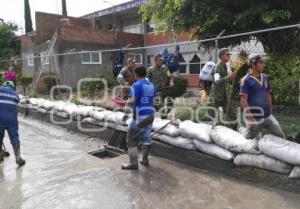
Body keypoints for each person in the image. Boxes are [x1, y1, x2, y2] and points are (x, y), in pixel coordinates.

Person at [240, 54, 285, 139]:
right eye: (261, 62)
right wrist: (251, 118)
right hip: (254, 118)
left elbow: (268, 94)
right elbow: (243, 100)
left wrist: (270, 111)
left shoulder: (265, 77)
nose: (263, 64)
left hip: (267, 115)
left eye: (264, 62)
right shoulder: (246, 80)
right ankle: (242, 130)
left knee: (280, 135)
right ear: (253, 64)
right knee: (249, 138)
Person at [122, 66, 156, 170]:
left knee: (131, 139)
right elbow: (152, 100)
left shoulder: (136, 85)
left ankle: (133, 164)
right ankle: (145, 160)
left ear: (135, 74)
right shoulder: (151, 85)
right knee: (147, 138)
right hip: (150, 115)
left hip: (140, 116)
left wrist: (125, 106)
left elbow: (132, 100)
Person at [208, 48, 238, 127]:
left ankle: (234, 130)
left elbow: (226, 81)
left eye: (229, 55)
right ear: (221, 56)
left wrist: (231, 78)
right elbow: (217, 81)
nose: (229, 56)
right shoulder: (218, 67)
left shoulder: (225, 66)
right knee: (211, 117)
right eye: (227, 55)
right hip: (216, 96)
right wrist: (229, 77)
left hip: (224, 96)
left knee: (232, 115)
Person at [0, 81, 26, 165]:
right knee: (14, 137)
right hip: (12, 120)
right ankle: (18, 157)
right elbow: (16, 102)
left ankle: (0, 154)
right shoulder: (15, 94)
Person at [146, 54, 174, 119]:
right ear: (155, 61)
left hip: (165, 90)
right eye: (160, 60)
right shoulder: (150, 69)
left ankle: (162, 114)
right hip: (156, 91)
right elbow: (146, 80)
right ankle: (163, 117)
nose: (161, 62)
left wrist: (171, 81)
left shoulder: (165, 68)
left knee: (170, 103)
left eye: (162, 60)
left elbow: (170, 76)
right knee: (160, 104)